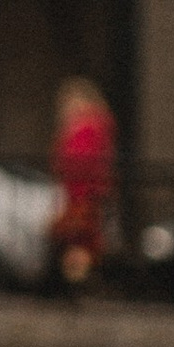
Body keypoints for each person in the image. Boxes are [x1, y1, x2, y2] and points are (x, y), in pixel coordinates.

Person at [50, 74, 118, 292]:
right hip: (83, 194)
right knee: (81, 243)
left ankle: (80, 286)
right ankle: (82, 284)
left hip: (81, 194)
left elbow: (77, 163)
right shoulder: (96, 126)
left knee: (78, 242)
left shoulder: (85, 128)